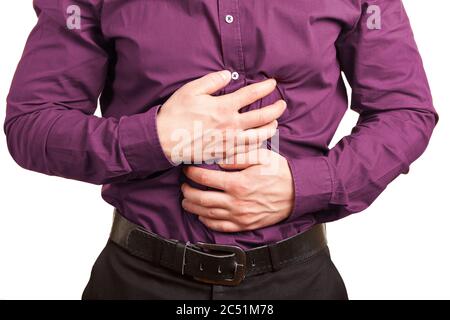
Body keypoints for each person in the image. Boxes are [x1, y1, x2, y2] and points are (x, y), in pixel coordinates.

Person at [5, 0, 437, 300]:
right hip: (137, 279)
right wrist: (157, 137)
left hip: (298, 279)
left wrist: (304, 187)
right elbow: (32, 123)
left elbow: (404, 110)